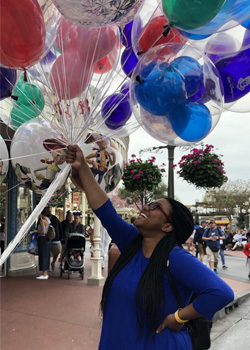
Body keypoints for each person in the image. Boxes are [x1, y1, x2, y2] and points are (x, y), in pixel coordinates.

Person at [65, 145, 234, 350]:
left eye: (155, 207)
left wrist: (179, 317)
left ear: (168, 226)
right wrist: (82, 166)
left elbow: (221, 293)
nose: (146, 207)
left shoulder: (176, 258)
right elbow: (103, 208)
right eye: (149, 203)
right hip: (118, 341)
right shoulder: (132, 242)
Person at [45, 205, 62, 270]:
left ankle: (53, 262)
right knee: (47, 253)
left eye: (50, 210)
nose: (49, 212)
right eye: (47, 211)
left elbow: (60, 227)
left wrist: (61, 236)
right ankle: (47, 266)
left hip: (56, 239)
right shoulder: (43, 219)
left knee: (57, 251)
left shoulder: (55, 218)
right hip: (46, 239)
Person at [36, 208, 51, 280]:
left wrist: (36, 231)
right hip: (47, 240)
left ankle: (44, 274)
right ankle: (46, 273)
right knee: (46, 255)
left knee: (42, 255)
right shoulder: (48, 220)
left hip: (42, 239)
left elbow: (43, 231)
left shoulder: (42, 221)